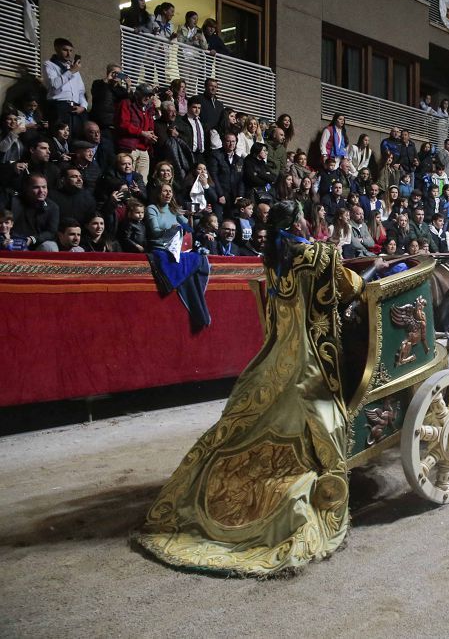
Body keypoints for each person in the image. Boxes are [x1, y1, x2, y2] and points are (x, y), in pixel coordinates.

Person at [134, 200, 385, 576]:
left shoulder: (272, 258)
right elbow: (350, 290)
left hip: (278, 352)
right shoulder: (319, 254)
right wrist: (378, 268)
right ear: (300, 219)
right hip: (312, 358)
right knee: (322, 416)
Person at [43, 38, 89, 136]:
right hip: (59, 107)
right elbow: (54, 84)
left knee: (75, 136)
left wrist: (83, 106)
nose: (69, 54)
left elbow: (81, 91)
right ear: (56, 49)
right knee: (59, 136)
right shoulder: (49, 65)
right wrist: (71, 71)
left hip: (75, 107)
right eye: (65, 50)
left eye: (71, 51)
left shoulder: (72, 67)